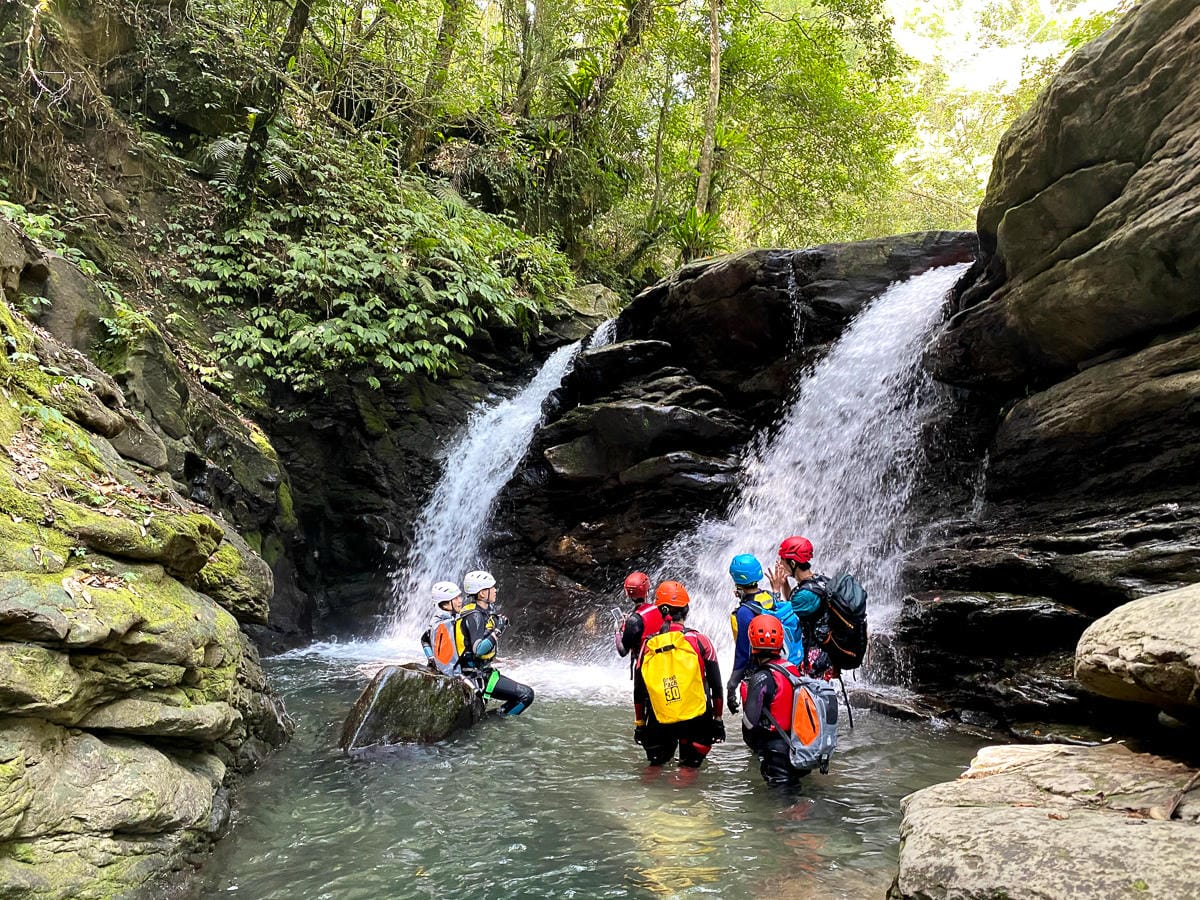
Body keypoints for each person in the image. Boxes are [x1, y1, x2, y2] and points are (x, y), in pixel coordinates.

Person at [633, 581, 725, 768]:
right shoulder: (700, 641)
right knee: (688, 771)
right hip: (697, 720)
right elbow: (716, 686)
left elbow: (639, 691)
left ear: (660, 611)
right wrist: (718, 720)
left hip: (659, 719)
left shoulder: (648, 645)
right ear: (686, 609)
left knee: (654, 769)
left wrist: (640, 724)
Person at [726, 553, 803, 715]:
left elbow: (742, 655)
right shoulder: (768, 596)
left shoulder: (743, 613)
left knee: (760, 719)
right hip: (781, 667)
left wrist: (732, 686)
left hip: (759, 672)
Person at [738, 614, 808, 785]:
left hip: (777, 753)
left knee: (784, 803)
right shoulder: (791, 669)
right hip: (799, 746)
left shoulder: (761, 677)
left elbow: (749, 723)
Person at [455, 570, 535, 716]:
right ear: (482, 594)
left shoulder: (478, 612)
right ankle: (492, 720)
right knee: (526, 695)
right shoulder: (475, 616)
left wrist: (500, 660)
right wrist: (498, 630)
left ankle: (491, 717)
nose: (495, 590)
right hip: (476, 677)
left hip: (481, 670)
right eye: (491, 588)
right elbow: (478, 650)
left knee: (525, 694)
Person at [770, 536, 833, 678]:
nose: (780, 563)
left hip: (813, 659)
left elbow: (779, 616)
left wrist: (776, 589)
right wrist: (784, 582)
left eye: (782, 560)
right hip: (825, 655)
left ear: (792, 563)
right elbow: (792, 602)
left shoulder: (805, 595)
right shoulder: (820, 581)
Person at [614, 571, 664, 659]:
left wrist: (617, 631)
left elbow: (623, 651)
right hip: (664, 661)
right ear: (647, 591)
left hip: (646, 667)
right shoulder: (660, 609)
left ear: (628, 594)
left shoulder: (633, 621)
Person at [421, 580, 464, 674]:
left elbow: (424, 639)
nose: (460, 600)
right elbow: (425, 639)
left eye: (459, 597)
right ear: (444, 604)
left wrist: (431, 657)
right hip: (455, 674)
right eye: (455, 598)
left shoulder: (452, 618)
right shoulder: (442, 623)